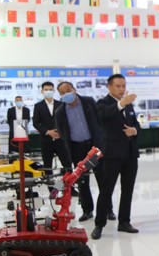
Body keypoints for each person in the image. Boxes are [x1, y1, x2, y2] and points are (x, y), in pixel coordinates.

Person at [92, 74, 140, 240]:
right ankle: (99, 224)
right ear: (109, 87)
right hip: (112, 154)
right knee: (106, 190)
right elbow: (104, 116)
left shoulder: (128, 105)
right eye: (118, 86)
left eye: (123, 86)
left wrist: (134, 131)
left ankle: (124, 221)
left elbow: (136, 124)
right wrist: (121, 104)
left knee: (128, 190)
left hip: (130, 154)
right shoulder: (103, 103)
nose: (122, 89)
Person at [55, 81, 104, 222]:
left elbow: (99, 122)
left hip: (93, 147)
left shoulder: (88, 102)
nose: (66, 94)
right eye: (62, 93)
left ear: (74, 89)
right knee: (82, 181)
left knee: (102, 178)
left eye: (68, 91)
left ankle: (107, 209)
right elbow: (62, 134)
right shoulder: (60, 112)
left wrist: (101, 142)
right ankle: (87, 210)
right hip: (77, 148)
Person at [32, 81, 72, 173]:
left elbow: (66, 120)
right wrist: (48, 132)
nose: (48, 91)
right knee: (47, 167)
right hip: (46, 141)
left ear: (54, 91)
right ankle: (53, 187)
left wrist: (60, 132)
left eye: (50, 89)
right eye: (46, 90)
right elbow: (36, 123)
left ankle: (68, 186)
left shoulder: (61, 104)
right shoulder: (38, 106)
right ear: (42, 91)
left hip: (61, 140)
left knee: (67, 165)